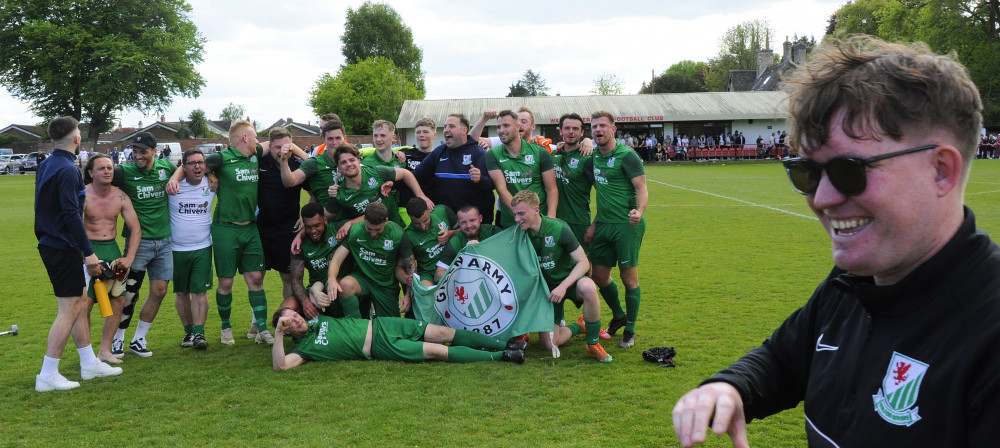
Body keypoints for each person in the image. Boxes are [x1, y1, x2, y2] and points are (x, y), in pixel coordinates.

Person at [672, 35, 1000, 447]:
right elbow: (784, 358)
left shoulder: (988, 333)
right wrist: (731, 387)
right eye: (806, 172)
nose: (823, 199)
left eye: (849, 170)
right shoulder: (853, 282)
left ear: (941, 170)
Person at [35, 116, 122, 392]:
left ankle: (89, 363)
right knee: (69, 309)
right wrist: (89, 253)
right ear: (76, 138)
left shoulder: (47, 164)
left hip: (52, 243)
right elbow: (72, 215)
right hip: (62, 246)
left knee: (80, 301)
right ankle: (47, 374)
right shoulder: (68, 169)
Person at [169, 120, 272, 345]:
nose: (257, 141)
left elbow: (272, 143)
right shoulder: (221, 158)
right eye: (254, 137)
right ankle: (226, 328)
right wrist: (182, 177)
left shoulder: (254, 154)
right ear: (244, 138)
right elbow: (192, 166)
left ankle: (263, 329)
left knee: (256, 278)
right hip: (226, 228)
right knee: (225, 282)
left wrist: (290, 146)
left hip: (251, 227)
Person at [510, 191, 611, 363]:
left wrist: (563, 286)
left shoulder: (558, 228)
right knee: (549, 344)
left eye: (521, 214)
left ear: (536, 209)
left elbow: (583, 263)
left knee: (588, 286)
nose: (517, 219)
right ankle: (581, 325)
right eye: (515, 214)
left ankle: (593, 344)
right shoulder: (517, 234)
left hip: (568, 282)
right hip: (545, 292)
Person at [270, 306, 526, 370]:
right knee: (437, 351)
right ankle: (503, 355)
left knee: (443, 333)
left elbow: (316, 289)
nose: (297, 319)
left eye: (295, 315)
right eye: (290, 322)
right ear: (287, 331)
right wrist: (278, 333)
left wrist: (316, 288)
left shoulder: (316, 317)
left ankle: (508, 344)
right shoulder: (304, 350)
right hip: (380, 346)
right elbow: (280, 366)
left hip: (384, 324)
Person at [111, 131, 177, 358]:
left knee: (159, 291)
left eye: (143, 152)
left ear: (155, 151)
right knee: (129, 293)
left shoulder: (166, 167)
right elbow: (98, 181)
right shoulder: (123, 172)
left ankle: (139, 339)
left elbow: (184, 171)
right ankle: (118, 338)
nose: (138, 156)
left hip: (165, 242)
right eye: (135, 151)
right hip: (137, 243)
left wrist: (212, 176)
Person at [588, 110, 647, 349]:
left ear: (613, 129)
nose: (598, 130)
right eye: (594, 127)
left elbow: (641, 187)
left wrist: (639, 211)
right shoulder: (592, 155)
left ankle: (630, 329)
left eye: (603, 126)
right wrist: (594, 224)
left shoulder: (627, 155)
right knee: (599, 276)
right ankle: (620, 315)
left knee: (628, 278)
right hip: (603, 224)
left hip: (626, 225)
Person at [82, 154, 141, 363]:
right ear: (91, 173)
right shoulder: (82, 195)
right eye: (102, 168)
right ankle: (86, 355)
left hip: (112, 250)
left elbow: (136, 229)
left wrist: (129, 257)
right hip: (88, 249)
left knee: (119, 300)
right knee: (85, 304)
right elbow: (74, 229)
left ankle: (105, 351)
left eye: (110, 168)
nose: (107, 171)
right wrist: (86, 257)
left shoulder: (120, 196)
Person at [257, 127, 311, 326]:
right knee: (256, 278)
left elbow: (315, 193)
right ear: (269, 146)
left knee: (288, 278)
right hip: (260, 229)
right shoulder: (259, 162)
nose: (281, 151)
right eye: (276, 147)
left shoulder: (297, 164)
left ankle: (289, 320)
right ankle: (258, 324)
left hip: (288, 229)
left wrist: (305, 216)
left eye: (286, 147)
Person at [319, 144, 432, 236]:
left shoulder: (376, 172)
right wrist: (332, 197)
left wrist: (420, 195)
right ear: (338, 167)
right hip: (369, 239)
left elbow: (406, 174)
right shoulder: (339, 192)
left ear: (359, 161)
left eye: (352, 160)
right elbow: (328, 215)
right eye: (343, 162)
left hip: (396, 232)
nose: (349, 164)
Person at [327, 202, 415, 319]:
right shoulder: (355, 231)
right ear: (364, 219)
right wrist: (331, 279)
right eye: (369, 229)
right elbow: (337, 258)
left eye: (378, 229)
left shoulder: (398, 234)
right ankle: (357, 326)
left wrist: (408, 295)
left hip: (385, 285)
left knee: (390, 324)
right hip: (362, 279)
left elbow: (411, 267)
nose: (373, 234)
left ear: (386, 221)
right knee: (345, 285)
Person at [168, 149, 216, 350]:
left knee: (199, 291)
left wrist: (212, 174)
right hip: (176, 249)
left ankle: (199, 333)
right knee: (181, 292)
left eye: (200, 162)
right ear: (184, 167)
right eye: (192, 163)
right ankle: (188, 331)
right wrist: (174, 177)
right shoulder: (173, 186)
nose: (197, 166)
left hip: (203, 247)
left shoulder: (212, 184)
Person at [411, 113, 496, 224]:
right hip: (446, 222)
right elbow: (416, 176)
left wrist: (480, 179)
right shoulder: (439, 152)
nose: (446, 130)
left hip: (474, 225)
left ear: (464, 130)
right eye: (445, 126)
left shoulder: (479, 153)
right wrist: (396, 178)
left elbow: (493, 185)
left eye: (451, 126)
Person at [485, 109, 558, 229]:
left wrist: (551, 216)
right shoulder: (493, 154)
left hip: (539, 220)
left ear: (518, 127)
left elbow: (551, 189)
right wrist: (521, 215)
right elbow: (502, 190)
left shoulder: (540, 152)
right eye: (498, 127)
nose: (501, 130)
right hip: (511, 222)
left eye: (506, 125)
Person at [288, 202, 353, 319]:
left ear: (325, 220)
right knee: (288, 306)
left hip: (339, 285)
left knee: (339, 286)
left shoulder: (337, 229)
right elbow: (296, 281)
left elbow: (366, 220)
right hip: (316, 291)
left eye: (317, 225)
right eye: (308, 227)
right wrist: (305, 302)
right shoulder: (299, 245)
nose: (313, 231)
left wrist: (350, 223)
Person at [434, 205, 501, 282]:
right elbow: (438, 276)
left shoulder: (492, 232)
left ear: (480, 218)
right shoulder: (454, 243)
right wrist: (465, 270)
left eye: (472, 220)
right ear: (459, 223)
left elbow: (507, 255)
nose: (468, 225)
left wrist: (481, 249)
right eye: (463, 222)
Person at [403, 197, 456, 288]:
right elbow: (402, 265)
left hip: (452, 264)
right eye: (416, 223)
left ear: (428, 210)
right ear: (410, 217)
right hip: (428, 273)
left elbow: (464, 231)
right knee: (425, 292)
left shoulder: (442, 211)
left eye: (425, 220)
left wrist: (451, 233)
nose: (423, 226)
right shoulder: (408, 236)